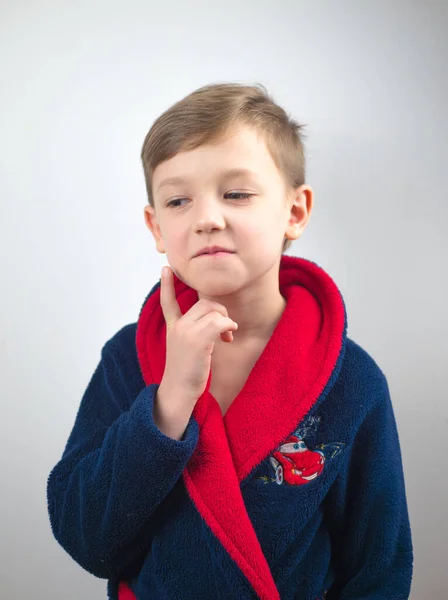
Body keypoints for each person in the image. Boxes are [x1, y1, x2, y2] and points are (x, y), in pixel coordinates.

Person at [46, 83, 413, 600]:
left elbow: (380, 567)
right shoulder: (127, 359)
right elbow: (87, 541)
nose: (207, 218)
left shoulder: (351, 378)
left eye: (237, 193)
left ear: (295, 211)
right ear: (156, 226)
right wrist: (170, 401)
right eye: (178, 200)